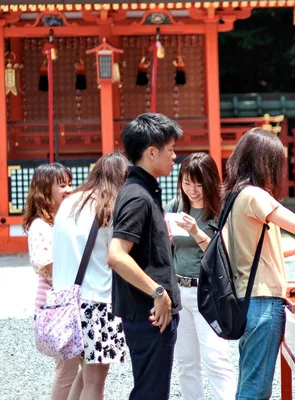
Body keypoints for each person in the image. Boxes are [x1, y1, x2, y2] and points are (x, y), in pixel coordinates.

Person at [180, 128, 295, 400]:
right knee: (255, 390)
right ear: (266, 162)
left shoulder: (236, 195)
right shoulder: (255, 196)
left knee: (251, 384)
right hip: (262, 303)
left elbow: (260, 252)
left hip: (248, 302)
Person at [107, 113, 183, 400]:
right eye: (171, 149)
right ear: (152, 152)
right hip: (150, 312)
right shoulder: (138, 195)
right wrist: (158, 291)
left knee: (151, 390)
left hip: (149, 312)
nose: (175, 156)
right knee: (150, 393)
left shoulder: (142, 190)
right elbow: (116, 255)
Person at [52, 152, 130, 400]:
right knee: (95, 381)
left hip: (66, 302)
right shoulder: (108, 207)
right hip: (97, 303)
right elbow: (118, 256)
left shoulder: (70, 202)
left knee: (84, 375)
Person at [166, 153, 236, 400]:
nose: (192, 190)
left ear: (209, 181)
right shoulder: (175, 208)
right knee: (185, 362)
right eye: (186, 183)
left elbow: (222, 254)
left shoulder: (219, 210)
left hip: (207, 292)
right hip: (179, 291)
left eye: (198, 184)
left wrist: (196, 232)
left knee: (215, 358)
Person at [22, 163, 79, 400]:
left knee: (80, 370)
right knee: (67, 370)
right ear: (45, 190)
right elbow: (46, 266)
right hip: (58, 307)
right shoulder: (41, 226)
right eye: (62, 185)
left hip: (70, 303)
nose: (69, 189)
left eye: (69, 183)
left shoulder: (61, 220)